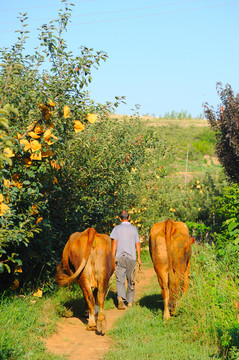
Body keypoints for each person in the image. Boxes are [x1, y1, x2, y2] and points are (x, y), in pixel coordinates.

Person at [110, 210, 142, 310]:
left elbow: (114, 243)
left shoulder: (116, 228)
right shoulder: (134, 229)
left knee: (120, 279)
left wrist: (112, 256)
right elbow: (137, 244)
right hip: (131, 257)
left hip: (119, 258)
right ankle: (130, 302)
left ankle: (120, 299)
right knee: (131, 279)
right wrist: (139, 258)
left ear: (120, 218)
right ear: (129, 218)